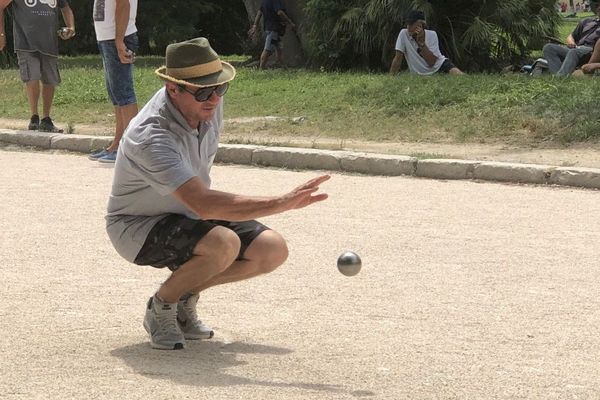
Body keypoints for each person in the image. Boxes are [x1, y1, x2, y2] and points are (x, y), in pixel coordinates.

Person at [105, 37, 330, 350]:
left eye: (220, 88)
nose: (213, 98)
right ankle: (162, 306)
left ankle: (183, 294)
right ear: (173, 89)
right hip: (138, 227)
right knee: (223, 243)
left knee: (272, 250)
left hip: (188, 214)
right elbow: (203, 203)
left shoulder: (207, 107)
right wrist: (281, 203)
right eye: (203, 91)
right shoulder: (151, 135)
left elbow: (200, 206)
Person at [0, 0, 75, 132]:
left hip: (49, 43)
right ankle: (34, 117)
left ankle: (46, 119)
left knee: (50, 80)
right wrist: (1, 34)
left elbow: (66, 8)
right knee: (32, 76)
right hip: (25, 42)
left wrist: (71, 27)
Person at [89, 0, 139, 163]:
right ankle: (117, 144)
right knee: (116, 94)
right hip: (108, 37)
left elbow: (124, 5)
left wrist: (119, 41)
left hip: (117, 37)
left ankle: (130, 149)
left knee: (124, 94)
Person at [390, 10, 463, 76]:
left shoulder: (432, 35)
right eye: (407, 24)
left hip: (439, 66)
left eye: (411, 24)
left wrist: (421, 43)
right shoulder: (403, 34)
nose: (408, 27)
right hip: (420, 74)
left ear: (420, 25)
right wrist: (391, 78)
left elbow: (432, 62)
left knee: (459, 75)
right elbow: (397, 59)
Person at [542, 1, 600, 77]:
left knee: (574, 52)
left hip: (590, 51)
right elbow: (571, 36)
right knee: (549, 48)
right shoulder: (587, 21)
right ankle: (558, 75)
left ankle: (561, 76)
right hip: (577, 48)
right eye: (598, 6)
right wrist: (571, 42)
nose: (599, 8)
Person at [248, 0, 296, 69]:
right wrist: (290, 22)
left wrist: (255, 25)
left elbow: (259, 14)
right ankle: (261, 69)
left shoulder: (264, 2)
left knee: (279, 47)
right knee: (267, 49)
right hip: (273, 29)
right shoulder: (275, 1)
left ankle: (281, 65)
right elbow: (280, 12)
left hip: (269, 29)